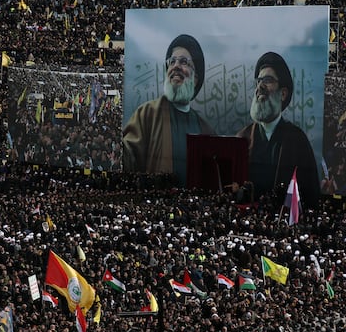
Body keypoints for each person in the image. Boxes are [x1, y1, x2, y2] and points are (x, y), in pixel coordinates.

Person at [122, 34, 214, 183]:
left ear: (196, 78)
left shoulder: (205, 129)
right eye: (172, 62)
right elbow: (127, 158)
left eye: (184, 62)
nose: (176, 66)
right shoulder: (147, 114)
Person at [234, 51, 320, 206]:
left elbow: (310, 194)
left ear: (283, 93)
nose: (260, 87)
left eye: (267, 80)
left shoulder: (298, 140)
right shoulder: (241, 138)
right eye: (258, 81)